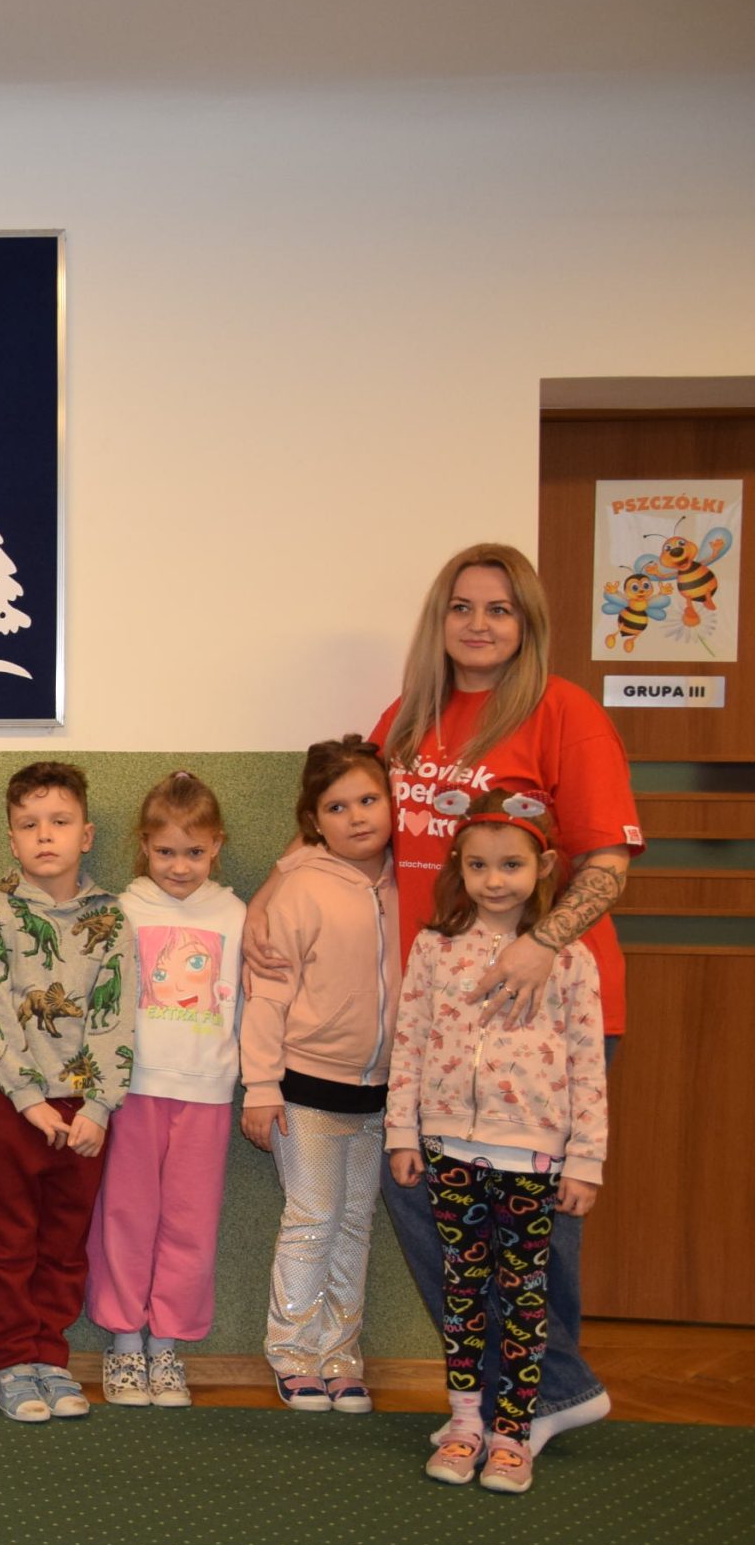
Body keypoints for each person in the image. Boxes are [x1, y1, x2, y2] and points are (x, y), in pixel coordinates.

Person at [252, 543, 639, 1455]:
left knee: (533, 1224)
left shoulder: (564, 712)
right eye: (462, 606)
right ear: (440, 619)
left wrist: (543, 944)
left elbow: (607, 861)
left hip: (541, 1010)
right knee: (423, 1198)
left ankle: (531, 1397)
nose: (479, 624)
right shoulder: (408, 716)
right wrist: (285, 877)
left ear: (527, 623)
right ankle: (540, 1390)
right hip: (437, 1015)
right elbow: (354, 822)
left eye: (500, 609)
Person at [387, 790, 608, 1495]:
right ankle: (465, 1422)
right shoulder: (435, 946)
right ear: (458, 865)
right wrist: (404, 1131)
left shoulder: (570, 958)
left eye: (511, 864)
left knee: (522, 1296)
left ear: (543, 866)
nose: (494, 880)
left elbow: (588, 1064)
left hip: (533, 1157)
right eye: (478, 865)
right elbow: (409, 1042)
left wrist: (586, 1159)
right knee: (462, 1289)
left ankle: (514, 1433)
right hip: (449, 1147)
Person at [0, 762, 135, 1424]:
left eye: (59, 822)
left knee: (64, 1241)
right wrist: (28, 1098)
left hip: (83, 1110)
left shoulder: (111, 917)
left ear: (85, 835)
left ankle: (50, 1357)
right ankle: (12, 1360)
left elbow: (116, 1016)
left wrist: (99, 1106)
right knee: (5, 1242)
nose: (44, 835)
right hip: (9, 1106)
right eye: (29, 824)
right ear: (11, 839)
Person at [240, 736, 398, 1414]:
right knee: (312, 1220)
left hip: (380, 1095)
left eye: (368, 800)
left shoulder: (413, 881)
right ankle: (293, 1352)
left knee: (355, 1223)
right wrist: (260, 1085)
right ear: (313, 821)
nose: (357, 817)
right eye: (337, 807)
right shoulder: (302, 887)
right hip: (304, 1092)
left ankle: (340, 1353)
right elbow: (267, 991)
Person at [87, 771, 245, 1409]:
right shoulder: (124, 910)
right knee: (126, 1216)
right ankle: (125, 1340)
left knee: (191, 1224)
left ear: (217, 846)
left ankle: (167, 1344)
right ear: (144, 847)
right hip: (135, 1091)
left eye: (195, 852)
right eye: (166, 852)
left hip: (208, 1093)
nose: (180, 866)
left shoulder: (235, 914)